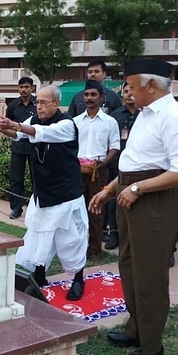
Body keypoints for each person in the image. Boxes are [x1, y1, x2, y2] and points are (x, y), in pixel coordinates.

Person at [89, 58, 178, 355]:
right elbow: (135, 161)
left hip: (154, 201)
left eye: (132, 86)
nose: (128, 92)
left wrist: (137, 189)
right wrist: (111, 189)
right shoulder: (147, 113)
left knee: (149, 274)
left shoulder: (173, 116)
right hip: (131, 194)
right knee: (130, 267)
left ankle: (152, 345)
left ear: (151, 84)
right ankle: (136, 328)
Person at [0, 85, 88, 301]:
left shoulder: (67, 124)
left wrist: (17, 125)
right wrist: (3, 128)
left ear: (56, 103)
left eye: (43, 102)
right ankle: (39, 274)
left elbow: (43, 134)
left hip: (65, 194)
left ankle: (78, 278)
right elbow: (19, 135)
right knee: (39, 235)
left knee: (70, 239)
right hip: (43, 192)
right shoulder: (34, 121)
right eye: (37, 102)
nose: (38, 106)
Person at [73, 80, 119, 263]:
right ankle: (76, 250)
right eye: (87, 95)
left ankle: (94, 251)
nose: (89, 98)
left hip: (99, 173)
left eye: (93, 95)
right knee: (76, 213)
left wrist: (103, 164)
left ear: (102, 97)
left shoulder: (110, 122)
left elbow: (115, 147)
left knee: (96, 212)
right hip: (77, 172)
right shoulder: (75, 121)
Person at [103, 83, 139, 251]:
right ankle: (114, 234)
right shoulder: (115, 116)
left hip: (141, 168)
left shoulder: (146, 115)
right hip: (117, 165)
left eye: (132, 90)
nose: (129, 93)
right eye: (125, 91)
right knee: (113, 202)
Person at [5, 77, 37, 219]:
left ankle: (37, 207)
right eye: (21, 87)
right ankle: (16, 208)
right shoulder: (12, 106)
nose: (23, 90)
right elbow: (7, 125)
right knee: (16, 178)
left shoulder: (38, 104)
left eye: (26, 87)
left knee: (36, 177)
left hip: (35, 147)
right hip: (18, 147)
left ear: (32, 88)